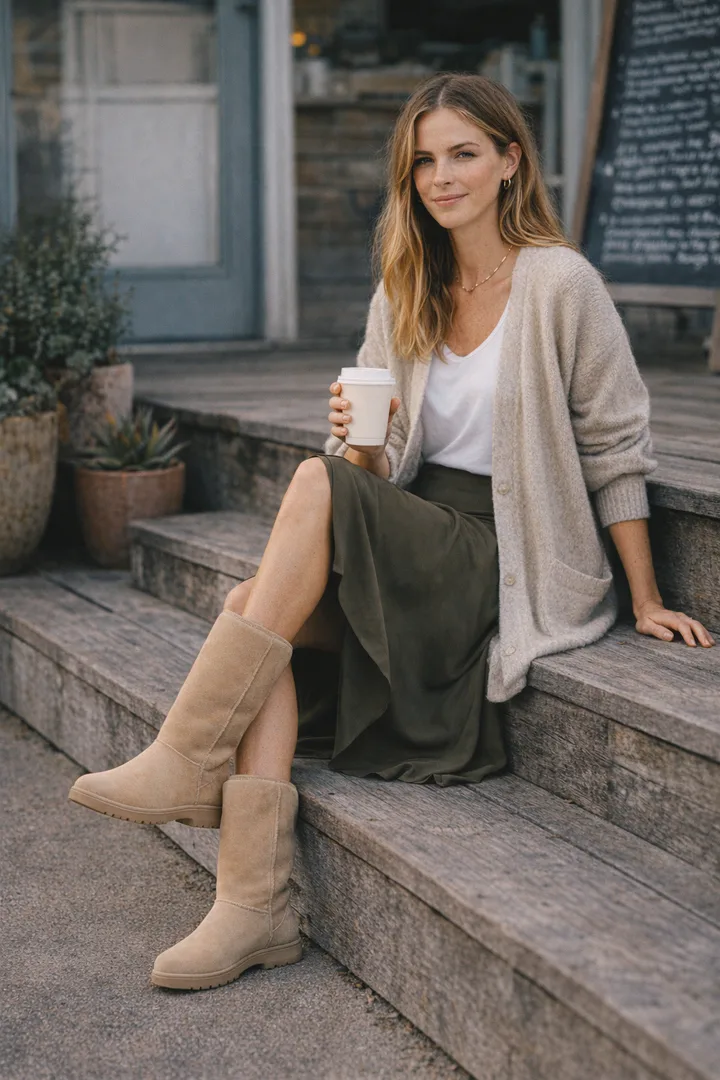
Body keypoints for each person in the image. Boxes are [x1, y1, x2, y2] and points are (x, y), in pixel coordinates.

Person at [67, 73, 715, 992]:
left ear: (508, 162)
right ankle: (253, 906)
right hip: (413, 529)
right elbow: (368, 473)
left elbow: (616, 449)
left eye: (462, 155)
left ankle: (188, 754)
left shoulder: (562, 284)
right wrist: (359, 438)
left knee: (299, 507)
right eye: (422, 163)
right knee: (261, 607)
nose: (441, 177)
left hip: (505, 549)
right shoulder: (408, 284)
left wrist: (645, 598)